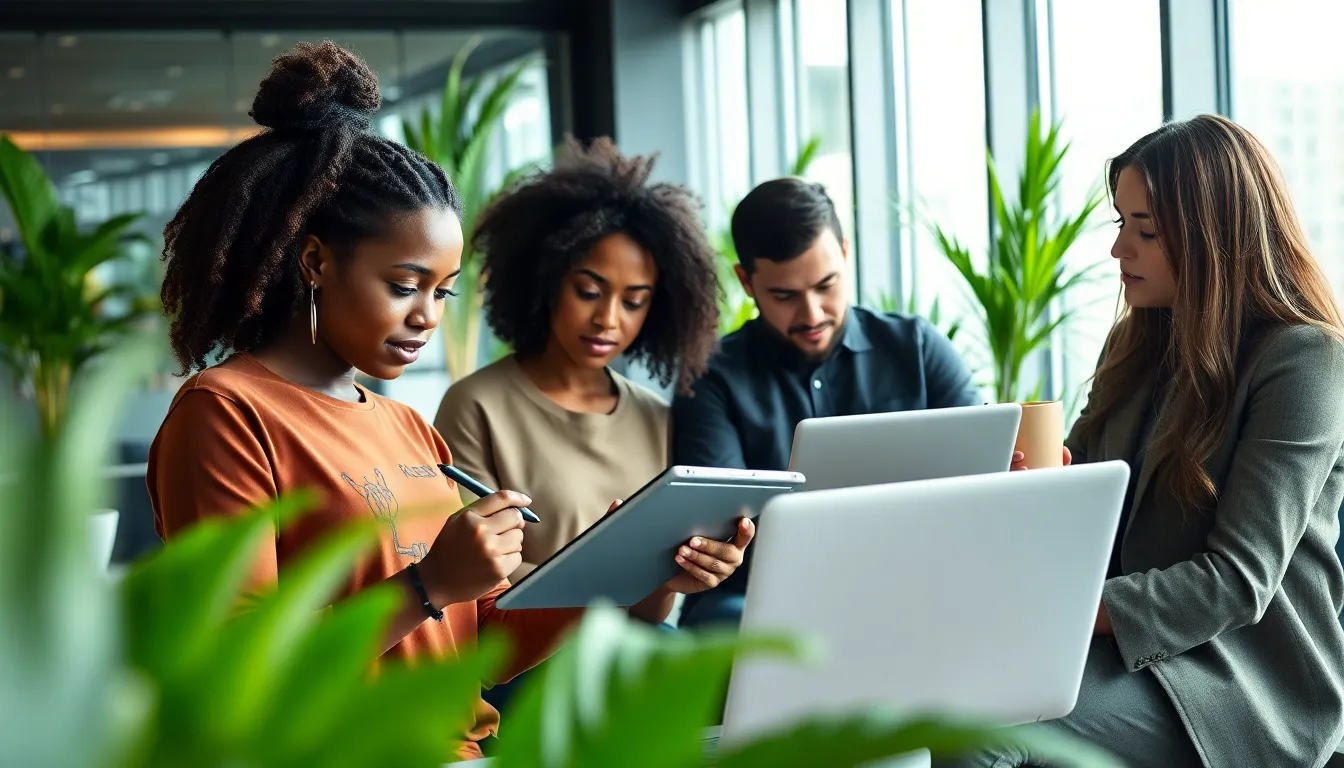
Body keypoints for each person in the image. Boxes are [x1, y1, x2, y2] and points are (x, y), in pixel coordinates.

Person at [145, 41, 752, 762]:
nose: (428, 316)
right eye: (405, 285)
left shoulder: (405, 427)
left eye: (442, 291)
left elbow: (477, 651)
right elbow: (234, 671)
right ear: (314, 262)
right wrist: (429, 584)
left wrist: (622, 572)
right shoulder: (226, 412)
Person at [945, 114, 1344, 767]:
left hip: (1239, 679)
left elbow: (1238, 582)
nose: (1118, 251)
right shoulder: (1137, 345)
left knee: (985, 724)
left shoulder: (1304, 362)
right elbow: (1082, 507)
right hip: (1126, 651)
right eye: (1120, 225)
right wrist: (1032, 499)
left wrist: (1060, 606)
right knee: (941, 685)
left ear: (1214, 238)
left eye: (1145, 231)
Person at [670, 177, 979, 628]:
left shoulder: (917, 348)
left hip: (912, 579)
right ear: (746, 281)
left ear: (846, 253)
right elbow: (718, 531)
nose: (812, 314)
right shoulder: (710, 377)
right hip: (754, 599)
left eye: (826, 285)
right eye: (785, 296)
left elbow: (982, 477)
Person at [434, 136, 722, 583]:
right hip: (530, 649)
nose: (608, 319)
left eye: (634, 302)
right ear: (545, 280)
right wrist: (624, 585)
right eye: (588, 292)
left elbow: (653, 596)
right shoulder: (476, 405)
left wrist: (687, 569)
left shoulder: (657, 418)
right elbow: (477, 573)